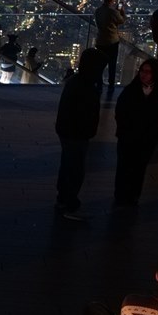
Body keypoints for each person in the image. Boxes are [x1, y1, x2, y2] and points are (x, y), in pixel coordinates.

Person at [55, 48, 107, 221]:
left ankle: (63, 199)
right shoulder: (86, 87)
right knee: (75, 169)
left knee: (67, 166)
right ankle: (70, 204)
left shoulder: (75, 82)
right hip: (77, 134)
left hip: (68, 132)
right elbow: (86, 113)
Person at [114, 57, 158, 206]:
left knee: (137, 168)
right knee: (127, 167)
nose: (143, 75)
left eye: (148, 72)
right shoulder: (136, 90)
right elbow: (120, 112)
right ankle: (124, 194)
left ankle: (130, 195)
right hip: (132, 137)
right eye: (142, 71)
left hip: (144, 139)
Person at [95, 0, 126, 91]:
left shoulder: (98, 11)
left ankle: (99, 83)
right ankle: (111, 84)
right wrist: (121, 11)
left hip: (100, 41)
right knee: (112, 64)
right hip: (112, 41)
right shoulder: (113, 12)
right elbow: (121, 21)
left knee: (99, 64)